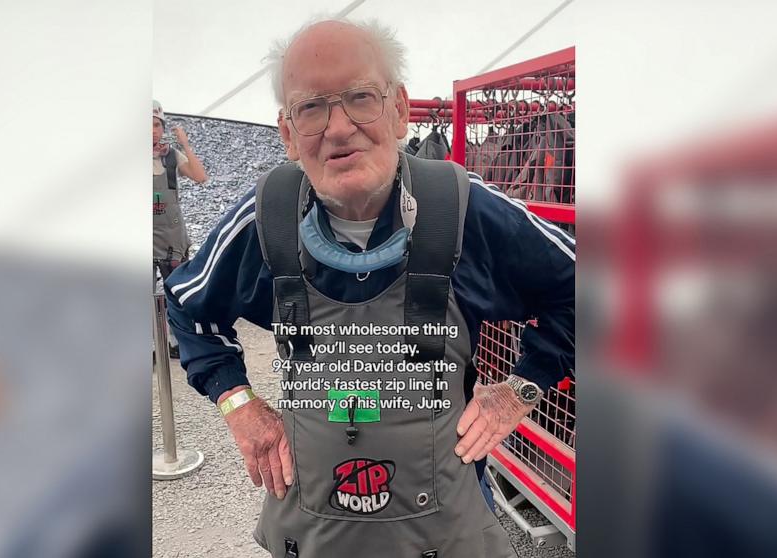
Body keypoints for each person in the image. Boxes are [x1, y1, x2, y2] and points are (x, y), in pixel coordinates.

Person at [165, 18, 574, 558]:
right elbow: (186, 306)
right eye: (311, 107)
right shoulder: (265, 219)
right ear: (287, 133)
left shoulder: (464, 211)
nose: (338, 127)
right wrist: (239, 404)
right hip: (313, 532)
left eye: (360, 97)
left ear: (400, 109)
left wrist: (521, 389)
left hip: (443, 533)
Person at [153, 100, 207, 359]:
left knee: (176, 292)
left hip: (173, 241)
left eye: (155, 125)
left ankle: (177, 342)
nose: (151, 130)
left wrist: (184, 144)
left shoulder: (171, 156)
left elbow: (200, 176)